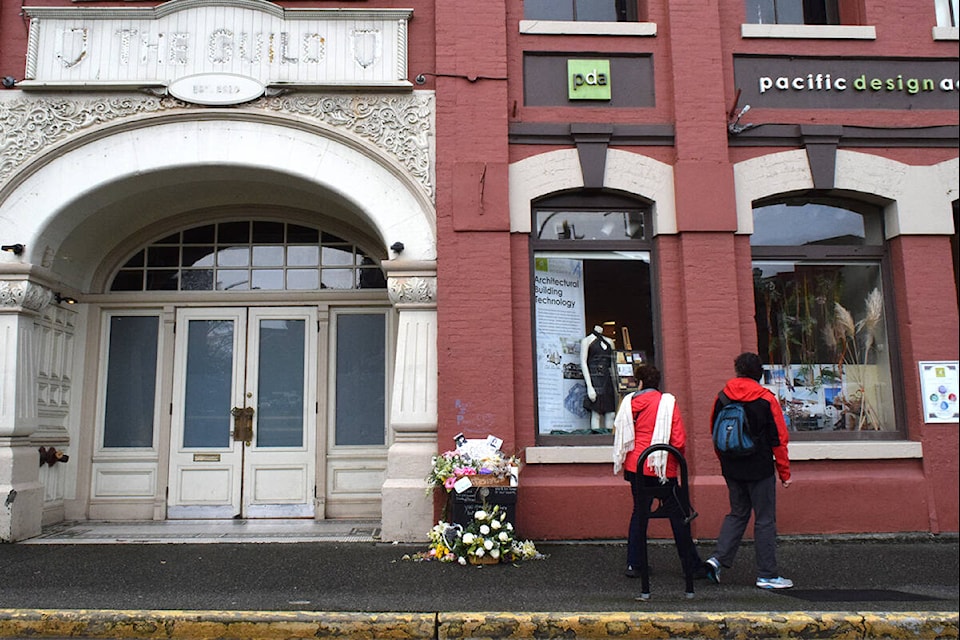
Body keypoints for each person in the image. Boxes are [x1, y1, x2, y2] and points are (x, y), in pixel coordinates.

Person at [614, 363, 706, 595]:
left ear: (640, 382)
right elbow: (679, 440)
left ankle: (635, 563)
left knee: (639, 512)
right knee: (678, 516)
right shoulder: (666, 403)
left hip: (635, 466)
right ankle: (691, 566)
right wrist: (673, 464)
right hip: (662, 468)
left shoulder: (629, 404)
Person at [705, 352, 794, 590]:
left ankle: (717, 559)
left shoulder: (722, 397)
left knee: (737, 513)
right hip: (760, 467)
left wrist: (724, 463)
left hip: (732, 466)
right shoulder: (766, 399)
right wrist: (784, 473)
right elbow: (779, 439)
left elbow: (714, 432)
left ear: (737, 370)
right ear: (759, 372)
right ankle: (767, 574)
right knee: (764, 520)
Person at [580, 326, 616, 431]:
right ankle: (597, 437)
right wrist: (589, 386)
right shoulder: (586, 341)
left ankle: (609, 437)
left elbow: (613, 363)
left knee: (611, 413)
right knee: (596, 412)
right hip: (594, 378)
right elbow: (583, 363)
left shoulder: (609, 342)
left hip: (608, 379)